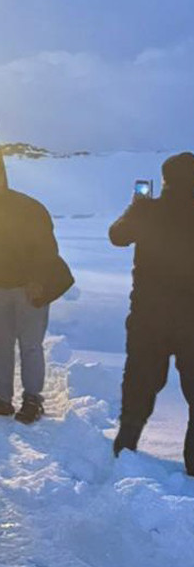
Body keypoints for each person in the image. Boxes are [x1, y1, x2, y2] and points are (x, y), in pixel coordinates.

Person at [109, 152, 194, 473]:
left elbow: (117, 236)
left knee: (139, 384)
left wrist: (136, 206)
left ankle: (124, 450)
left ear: (165, 179)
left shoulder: (148, 211)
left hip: (149, 317)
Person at [0, 163, 71, 423]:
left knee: (30, 346)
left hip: (29, 287)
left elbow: (46, 248)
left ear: (1, 179)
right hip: (0, 287)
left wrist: (37, 280)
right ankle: (1, 398)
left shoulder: (28, 208)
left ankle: (32, 399)